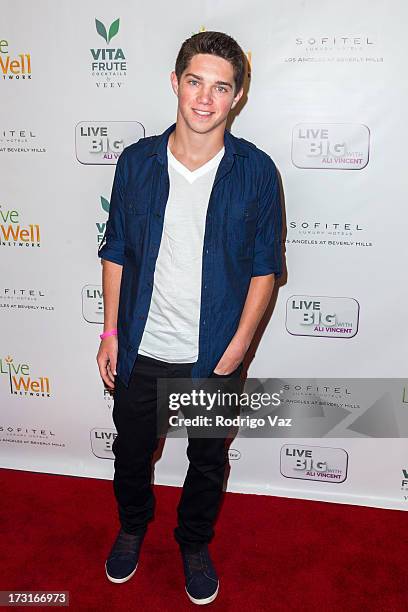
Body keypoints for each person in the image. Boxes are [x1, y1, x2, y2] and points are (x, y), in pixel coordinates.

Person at [96, 30, 283, 605]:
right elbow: (117, 249)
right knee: (131, 451)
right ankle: (132, 526)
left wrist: (239, 348)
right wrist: (109, 330)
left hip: (214, 355)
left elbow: (264, 269)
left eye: (220, 87)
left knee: (207, 460)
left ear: (238, 96)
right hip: (141, 347)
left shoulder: (256, 172)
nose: (205, 99)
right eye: (195, 82)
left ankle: (194, 543)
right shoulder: (136, 163)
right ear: (175, 83)